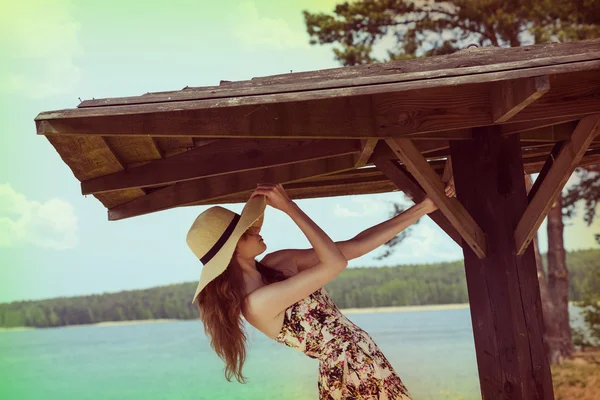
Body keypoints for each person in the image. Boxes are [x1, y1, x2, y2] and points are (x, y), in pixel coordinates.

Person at [186, 183, 456, 399]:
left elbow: (356, 245)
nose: (257, 230)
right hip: (348, 373)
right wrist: (291, 208)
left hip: (364, 358)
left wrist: (425, 207)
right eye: (247, 231)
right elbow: (335, 263)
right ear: (232, 249)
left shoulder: (277, 263)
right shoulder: (256, 303)